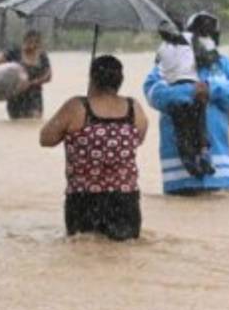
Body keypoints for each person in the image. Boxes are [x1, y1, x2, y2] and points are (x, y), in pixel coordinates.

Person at [38, 55, 148, 240]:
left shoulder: (76, 107)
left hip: (84, 201)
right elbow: (139, 139)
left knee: (84, 256)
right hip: (126, 202)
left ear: (92, 78)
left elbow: (45, 138)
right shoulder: (134, 108)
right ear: (120, 80)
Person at [144, 11, 229, 195]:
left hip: (221, 173)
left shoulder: (225, 65)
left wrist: (211, 89)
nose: (204, 38)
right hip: (178, 174)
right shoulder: (168, 64)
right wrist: (191, 91)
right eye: (200, 32)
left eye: (209, 33)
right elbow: (153, 93)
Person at [155, 20, 214, 177]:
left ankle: (188, 159)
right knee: (200, 125)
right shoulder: (189, 38)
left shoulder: (161, 49)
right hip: (193, 89)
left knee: (182, 130)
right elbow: (205, 59)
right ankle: (204, 154)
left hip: (174, 92)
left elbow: (158, 70)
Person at [0, 30, 52, 120]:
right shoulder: (15, 52)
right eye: (30, 42)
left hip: (34, 96)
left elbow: (48, 75)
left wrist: (32, 83)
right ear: (25, 41)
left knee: (34, 121)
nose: (32, 45)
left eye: (35, 43)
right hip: (15, 95)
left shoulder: (42, 56)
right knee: (16, 123)